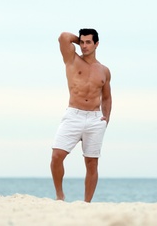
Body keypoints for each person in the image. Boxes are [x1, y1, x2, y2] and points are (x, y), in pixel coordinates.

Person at [50, 28, 112, 202]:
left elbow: (107, 97)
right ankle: (60, 196)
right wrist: (79, 40)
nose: (84, 46)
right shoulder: (72, 59)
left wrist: (105, 119)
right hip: (73, 115)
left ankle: (87, 203)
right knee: (57, 156)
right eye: (82, 42)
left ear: (97, 44)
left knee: (92, 163)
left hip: (94, 118)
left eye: (88, 42)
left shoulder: (104, 70)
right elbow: (63, 37)